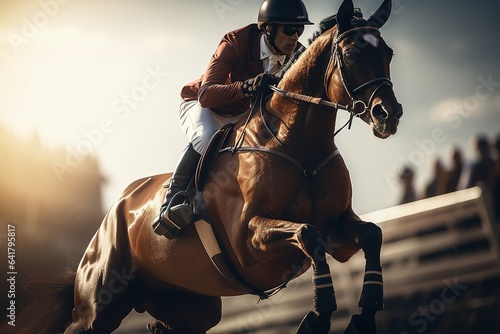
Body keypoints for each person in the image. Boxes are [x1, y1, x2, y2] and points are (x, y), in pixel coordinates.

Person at [152, 0, 314, 239]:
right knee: (206, 137)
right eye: (289, 30)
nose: (295, 37)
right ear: (268, 29)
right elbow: (207, 95)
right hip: (203, 105)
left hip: (243, 113)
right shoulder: (234, 42)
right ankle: (171, 203)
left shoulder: (296, 55)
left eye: (300, 31)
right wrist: (247, 87)